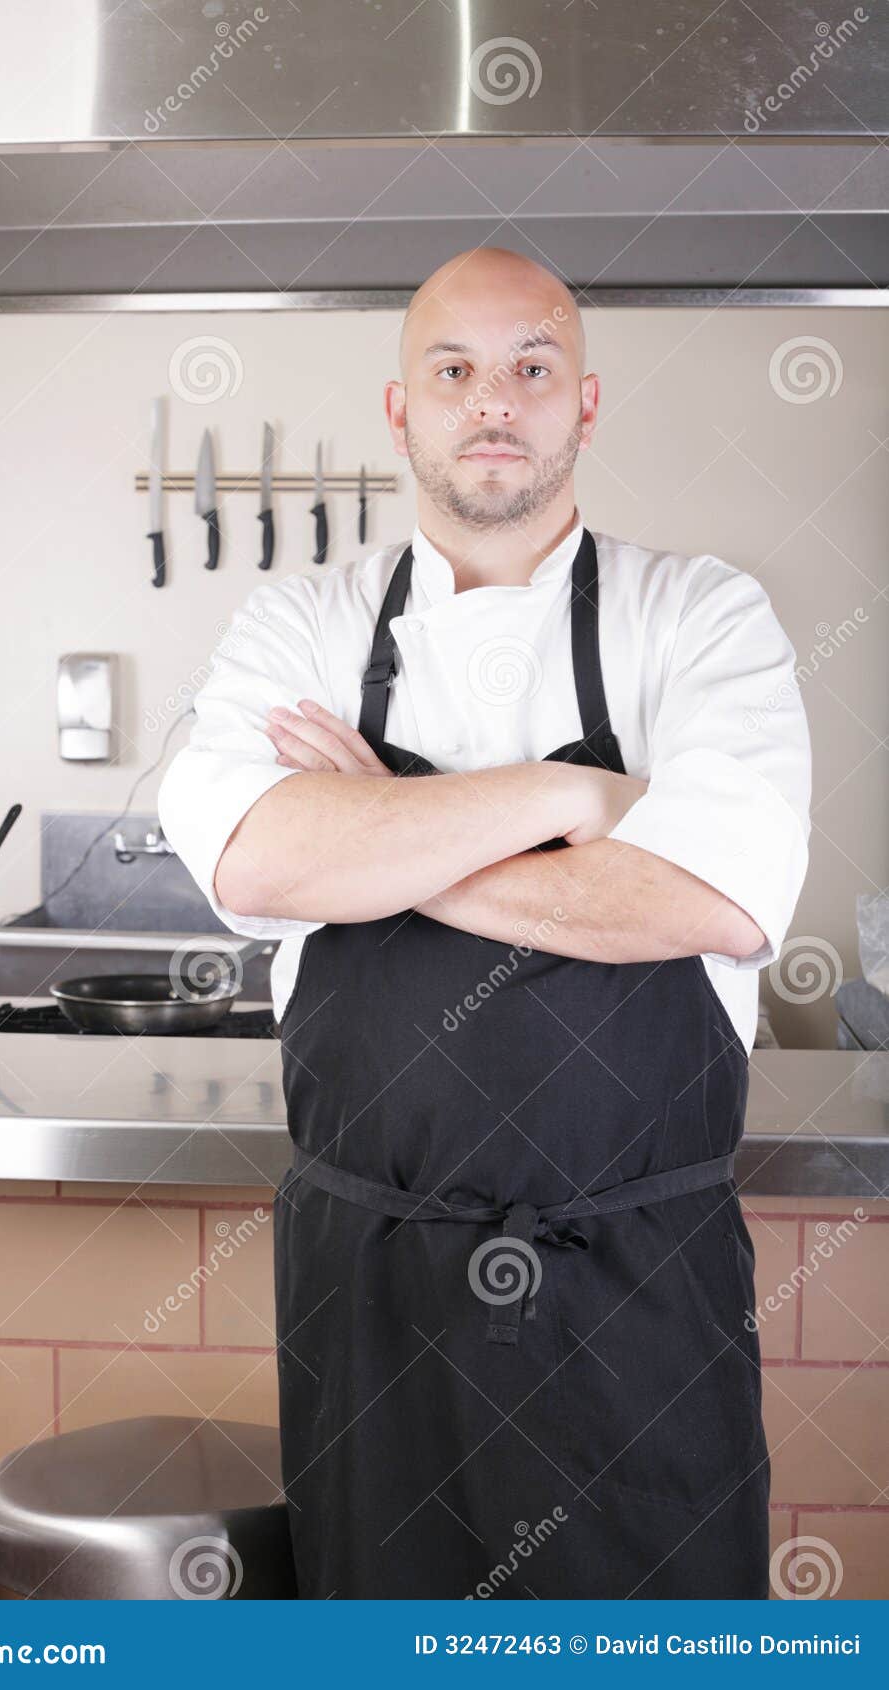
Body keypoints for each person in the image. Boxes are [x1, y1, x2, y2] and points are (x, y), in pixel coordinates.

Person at [158, 246, 811, 1599]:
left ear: (585, 402)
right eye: (453, 370)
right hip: (379, 1316)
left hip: (638, 1300)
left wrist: (388, 830)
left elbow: (711, 895)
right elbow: (260, 851)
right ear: (402, 410)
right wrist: (574, 797)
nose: (493, 401)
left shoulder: (699, 618)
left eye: (531, 369)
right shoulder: (299, 626)